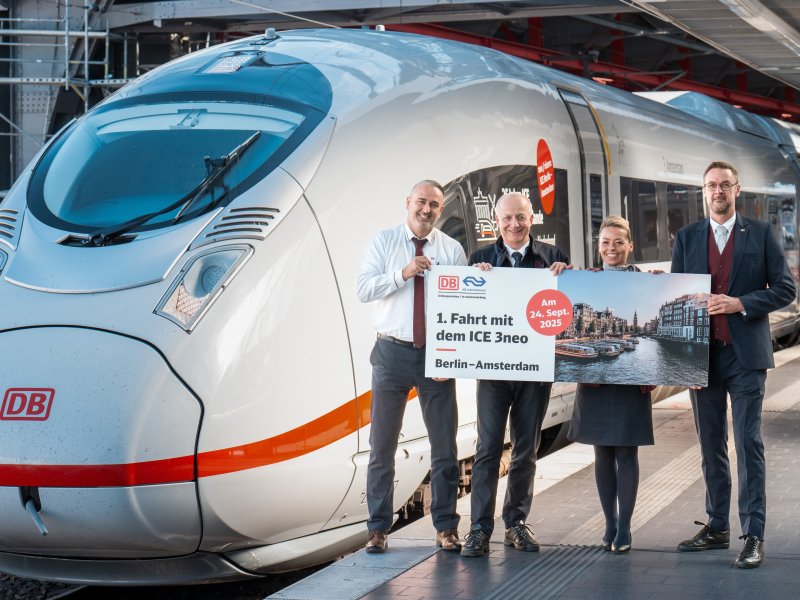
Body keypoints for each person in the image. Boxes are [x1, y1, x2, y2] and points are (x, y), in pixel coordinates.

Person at [671, 161, 795, 568]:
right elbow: (673, 298)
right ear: (703, 192)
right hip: (701, 358)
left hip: (745, 358)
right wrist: (679, 362)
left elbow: (786, 289)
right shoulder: (687, 238)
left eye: (725, 185)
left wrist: (741, 303)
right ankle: (717, 525)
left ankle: (753, 534)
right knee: (710, 446)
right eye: (711, 185)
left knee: (747, 443)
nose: (718, 191)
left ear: (737, 191)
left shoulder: (759, 234)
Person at [356, 179, 468, 554]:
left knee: (444, 446)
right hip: (390, 354)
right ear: (408, 203)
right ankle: (377, 529)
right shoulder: (383, 242)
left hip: (436, 355)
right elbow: (363, 289)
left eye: (434, 206)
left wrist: (448, 356)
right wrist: (402, 273)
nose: (426, 210)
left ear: (441, 210)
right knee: (382, 445)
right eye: (421, 202)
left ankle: (446, 528)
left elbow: (463, 306)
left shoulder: (451, 250)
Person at [460, 191, 569, 558]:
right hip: (493, 375)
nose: (514, 224)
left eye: (521, 217)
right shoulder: (479, 259)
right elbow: (462, 309)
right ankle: (478, 529)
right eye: (507, 218)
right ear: (496, 222)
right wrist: (471, 282)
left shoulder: (554, 258)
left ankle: (515, 523)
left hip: (535, 374)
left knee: (526, 450)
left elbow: (566, 311)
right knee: (488, 449)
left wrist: (565, 280)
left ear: (532, 219)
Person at [566, 215, 655, 554]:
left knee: (626, 452)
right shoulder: (586, 280)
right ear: (598, 246)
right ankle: (609, 523)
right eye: (605, 243)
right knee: (602, 452)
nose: (611, 249)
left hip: (630, 388)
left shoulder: (648, 281)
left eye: (619, 242)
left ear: (630, 245)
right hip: (595, 386)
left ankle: (626, 528)